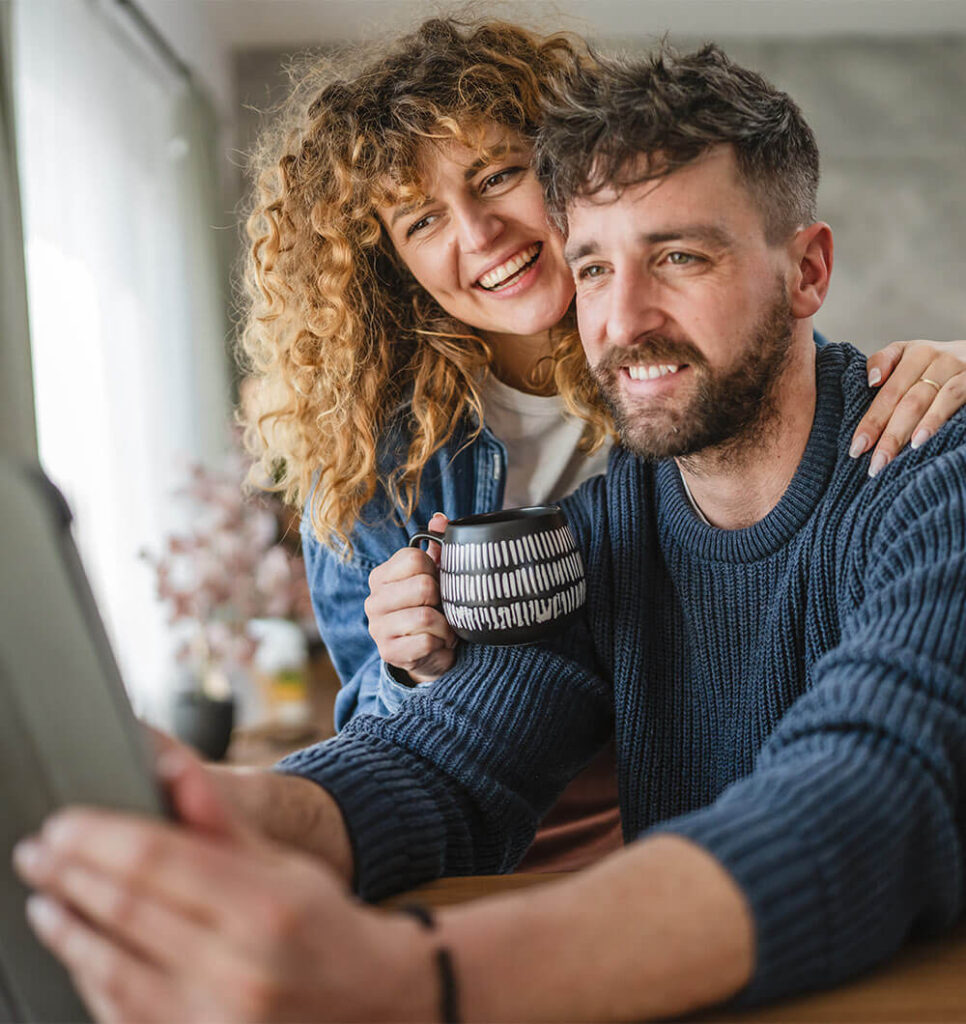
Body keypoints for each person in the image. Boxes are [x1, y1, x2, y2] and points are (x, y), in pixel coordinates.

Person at [14, 39, 966, 1023]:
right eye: (594, 266)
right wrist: (218, 805)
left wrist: (417, 977)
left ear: (806, 270)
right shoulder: (605, 527)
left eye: (679, 255)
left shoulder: (940, 472)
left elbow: (871, 791)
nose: (624, 316)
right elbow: (439, 756)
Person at [240, 17, 965, 872]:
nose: (478, 235)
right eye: (423, 218)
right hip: (532, 855)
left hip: (705, 867)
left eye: (499, 176)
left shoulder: (839, 441)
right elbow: (429, 756)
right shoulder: (401, 467)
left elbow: (868, 775)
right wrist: (397, 689)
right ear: (389, 260)